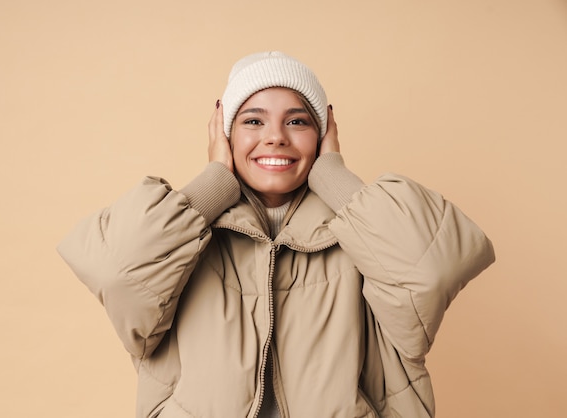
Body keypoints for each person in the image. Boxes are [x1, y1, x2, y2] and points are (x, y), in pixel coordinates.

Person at [58, 51, 495, 418]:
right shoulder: (181, 237)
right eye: (252, 121)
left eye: (297, 121)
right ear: (223, 132)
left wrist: (334, 177)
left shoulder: (365, 233)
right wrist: (212, 182)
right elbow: (114, 271)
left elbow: (433, 270)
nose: (275, 138)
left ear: (323, 133)